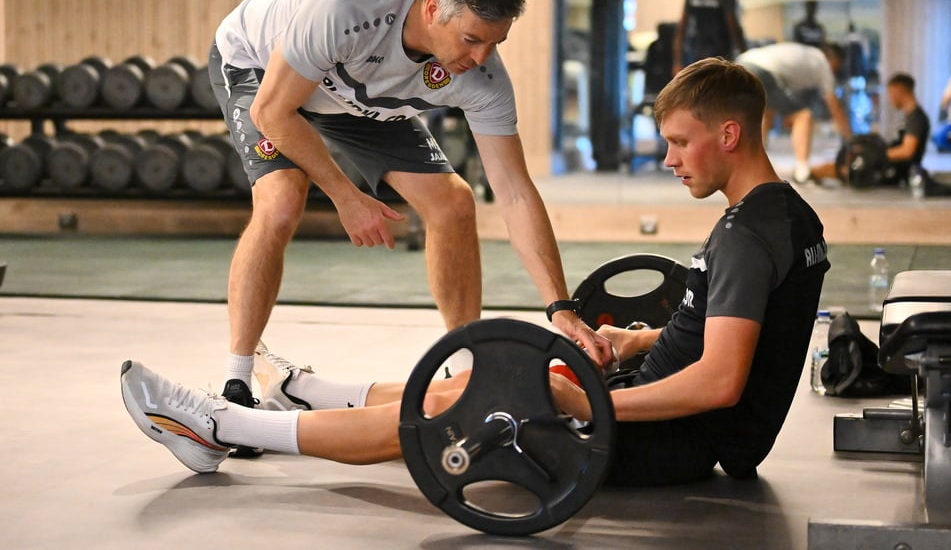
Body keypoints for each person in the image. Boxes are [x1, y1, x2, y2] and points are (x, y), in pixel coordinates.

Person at [121, 58, 831, 487]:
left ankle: (222, 426)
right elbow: (729, 339)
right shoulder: (784, 217)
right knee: (470, 380)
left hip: (658, 439)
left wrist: (591, 405)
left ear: (728, 134)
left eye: (680, 142)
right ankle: (303, 392)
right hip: (659, 408)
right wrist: (632, 343)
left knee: (445, 410)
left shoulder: (744, 234)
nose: (670, 159)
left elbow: (718, 381)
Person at [207, 0, 612, 449]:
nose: (481, 58)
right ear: (432, 8)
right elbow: (273, 114)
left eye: (495, 42)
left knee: (454, 203)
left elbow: (513, 192)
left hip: (359, 97)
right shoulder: (346, 7)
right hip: (263, 72)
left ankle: (466, 368)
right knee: (283, 200)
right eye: (471, 39)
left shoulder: (481, 76)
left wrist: (561, 308)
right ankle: (237, 380)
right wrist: (347, 196)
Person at [735, 41, 851, 184]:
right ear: (833, 59)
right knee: (803, 117)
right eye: (838, 65)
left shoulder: (809, 55)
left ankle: (753, 164)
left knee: (766, 110)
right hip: (762, 71)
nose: (837, 70)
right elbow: (835, 107)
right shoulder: (823, 64)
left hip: (741, 63)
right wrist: (851, 139)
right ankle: (802, 172)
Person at [811, 72, 930, 186]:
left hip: (895, 170)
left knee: (842, 168)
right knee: (841, 163)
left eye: (891, 93)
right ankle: (806, 173)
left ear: (899, 91)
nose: (890, 99)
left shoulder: (916, 118)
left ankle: (806, 174)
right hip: (890, 164)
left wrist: (875, 155)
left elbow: (907, 151)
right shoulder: (909, 117)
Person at [672, 0, 746, 75]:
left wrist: (677, 62)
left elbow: (681, 29)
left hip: (698, 55)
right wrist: (744, 53)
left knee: (702, 89)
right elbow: (733, 26)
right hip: (721, 56)